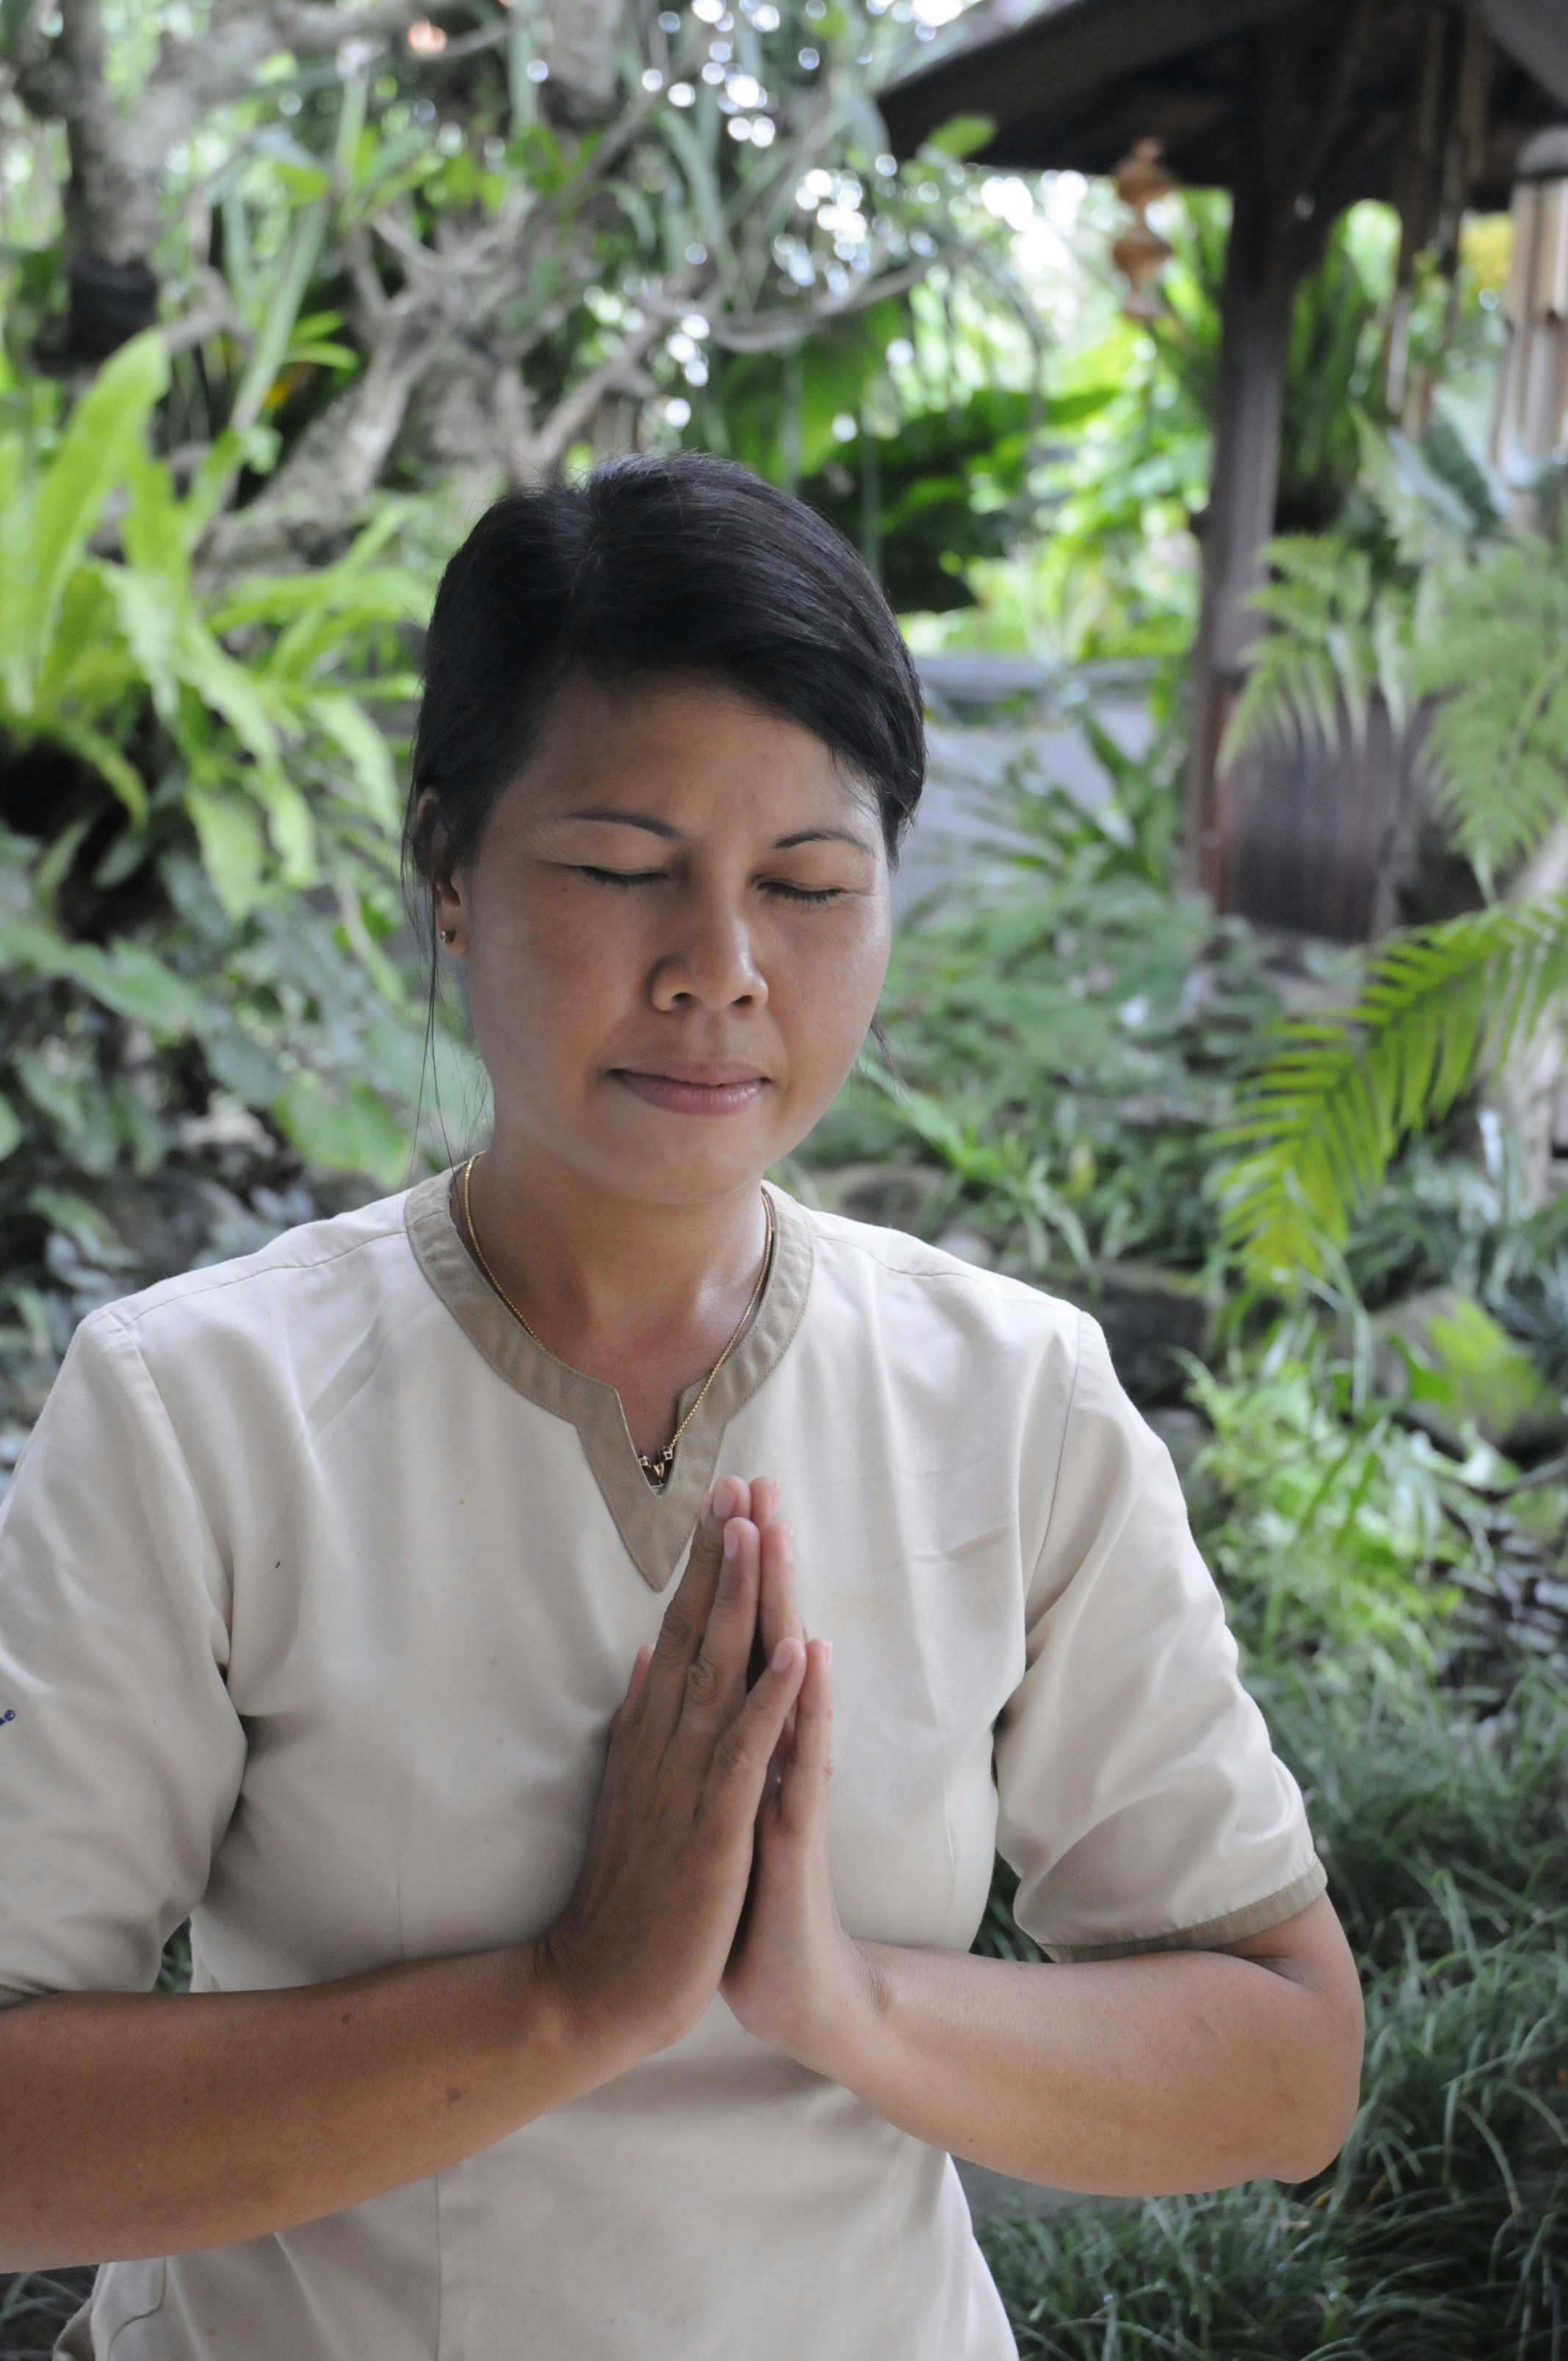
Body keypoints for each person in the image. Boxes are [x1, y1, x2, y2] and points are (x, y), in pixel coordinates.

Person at [0, 454, 1363, 2361]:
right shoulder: (196, 1415)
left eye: (807, 884)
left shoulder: (1016, 1405)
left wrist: (840, 2002)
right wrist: (575, 1998)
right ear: (453, 878)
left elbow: (1287, 2066)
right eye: (625, 870)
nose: (721, 970)